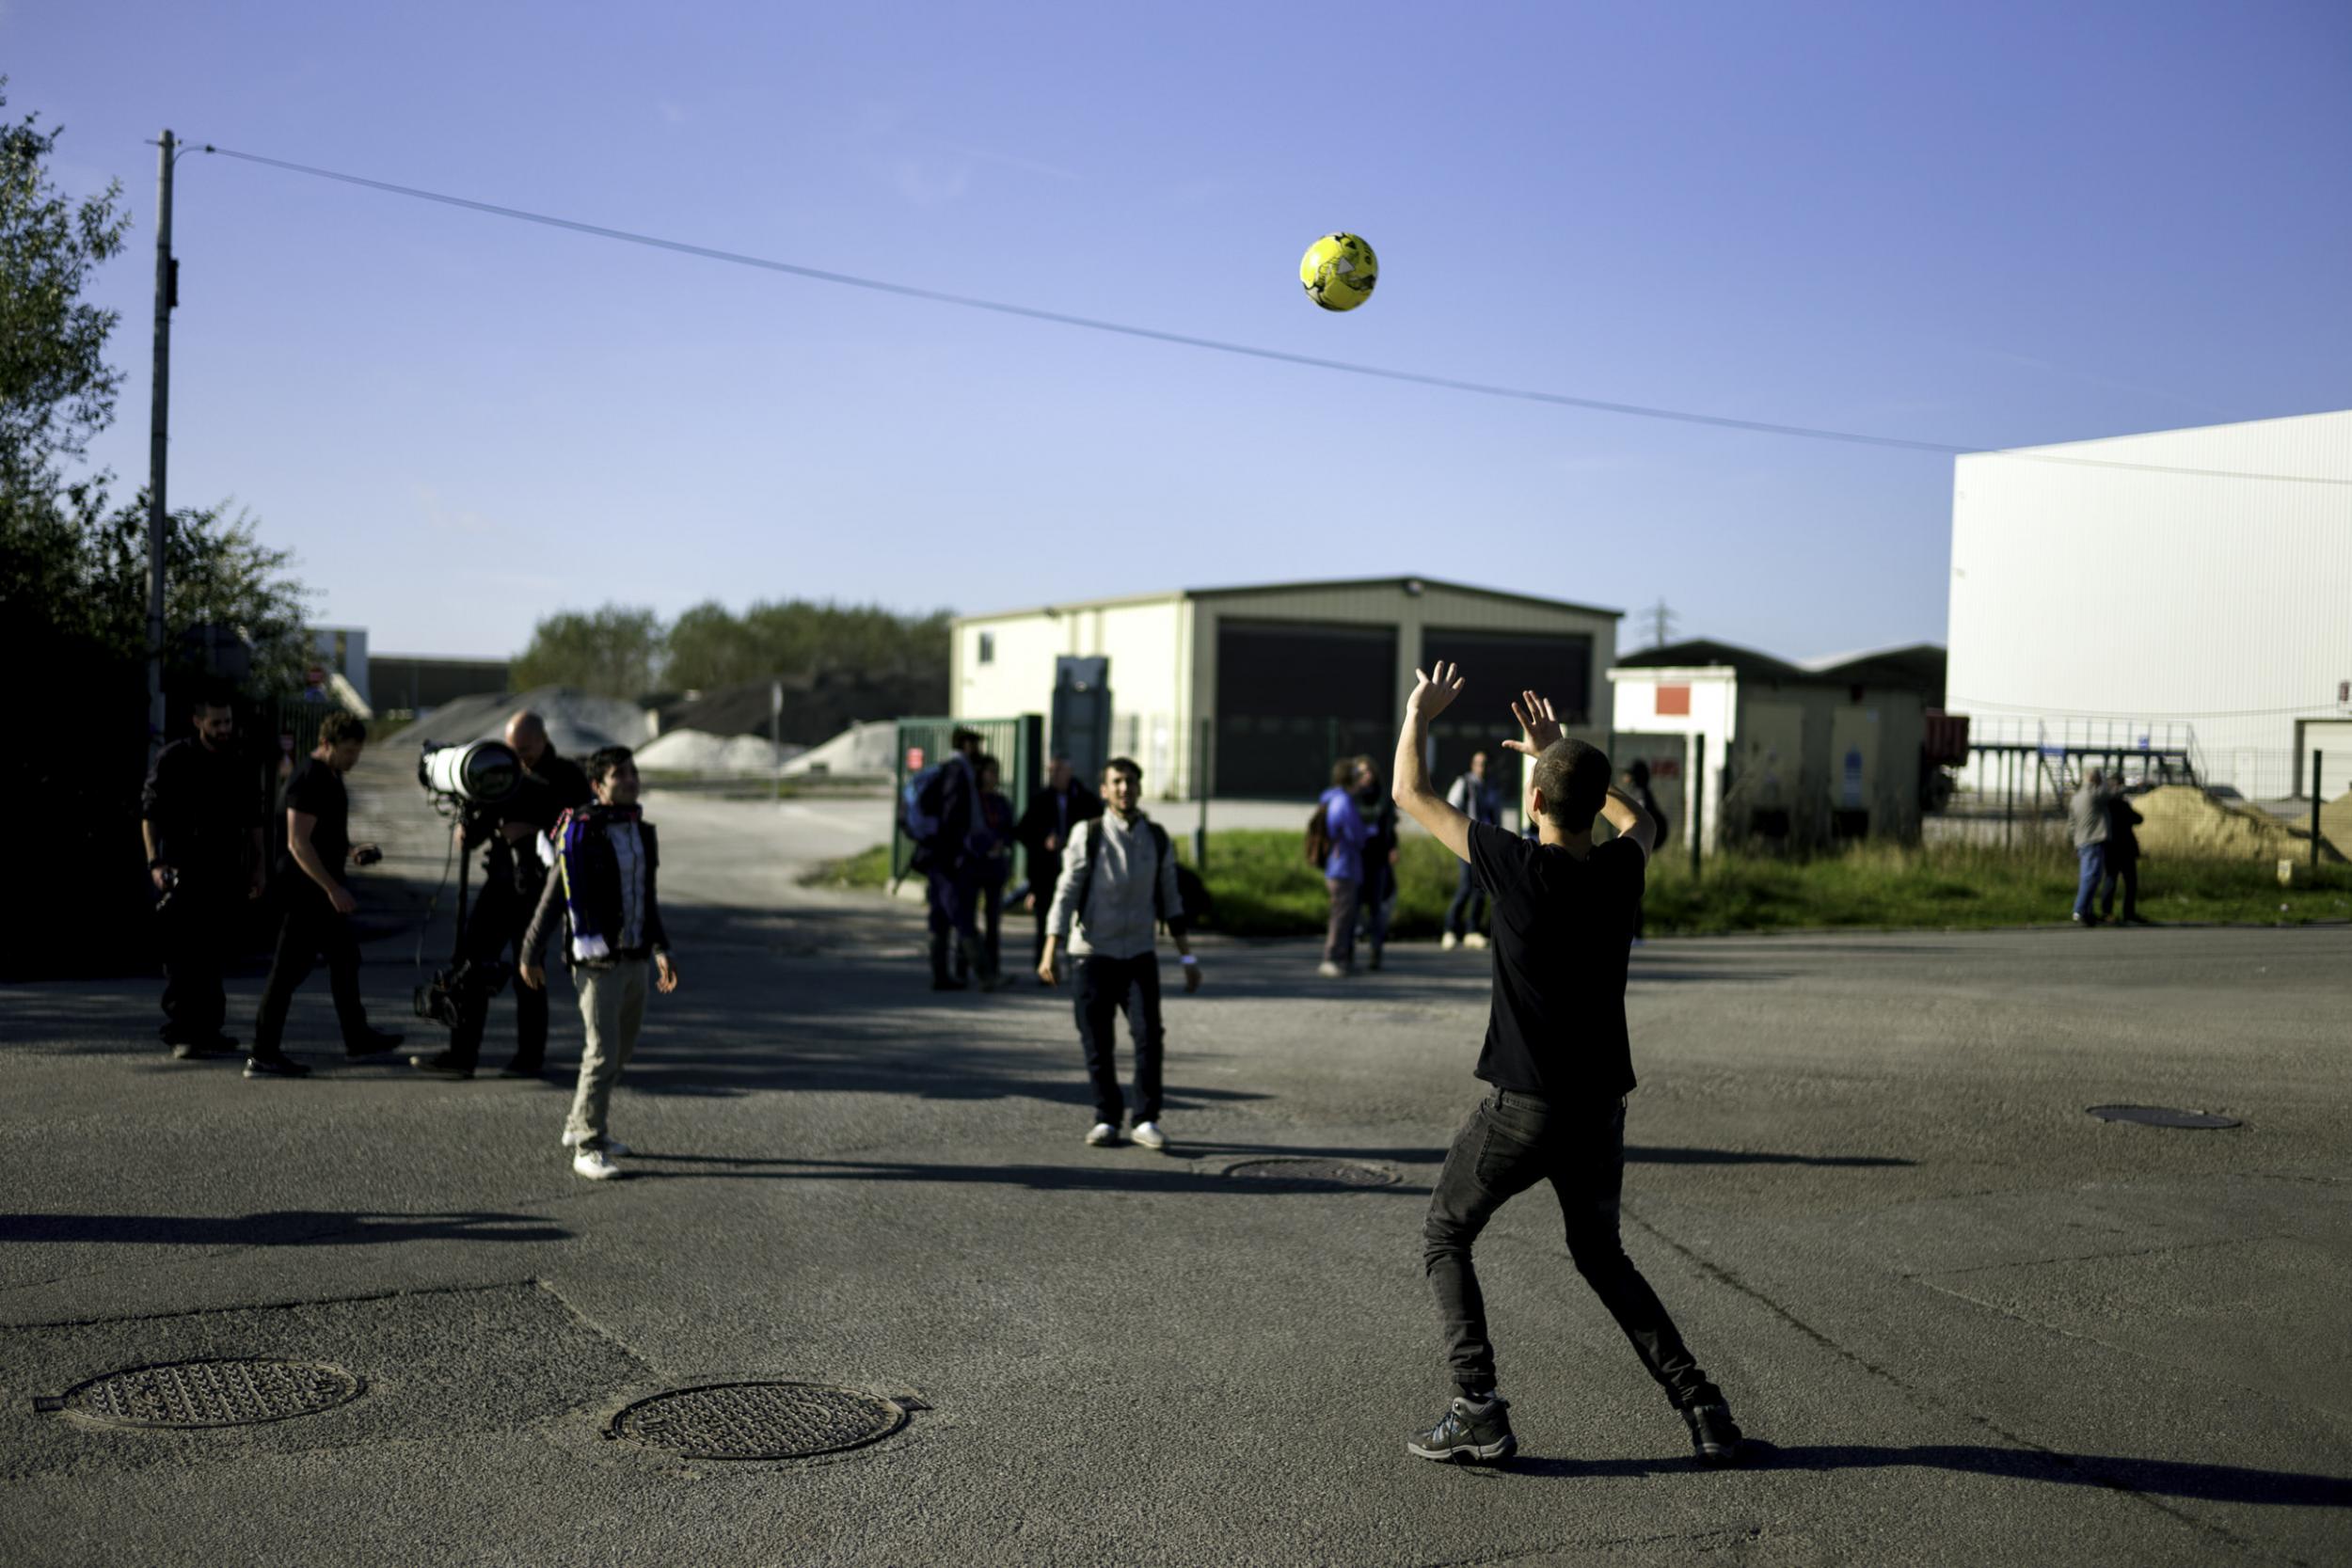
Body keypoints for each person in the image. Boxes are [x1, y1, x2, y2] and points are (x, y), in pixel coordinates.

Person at [1391, 664, 1746, 1468]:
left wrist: (1418, 711)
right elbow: (1646, 821)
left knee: (1447, 1231)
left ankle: (1478, 1406)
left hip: (1524, 1108)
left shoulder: (1514, 866)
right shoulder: (1622, 869)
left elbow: (1411, 792)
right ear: (1593, 805)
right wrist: (1563, 756)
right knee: (1600, 1254)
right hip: (1599, 1109)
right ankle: (1704, 1408)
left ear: (1534, 804)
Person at [518, 746, 680, 1180]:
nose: (630, 780)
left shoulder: (641, 831)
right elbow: (553, 898)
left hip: (636, 957)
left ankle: (581, 1125)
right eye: (619, 775)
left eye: (633, 772)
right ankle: (588, 1146)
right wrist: (529, 952)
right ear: (598, 786)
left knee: (620, 1052)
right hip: (597, 962)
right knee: (602, 1052)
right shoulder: (581, 831)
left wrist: (662, 949)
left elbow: (647, 897)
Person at [414, 711, 595, 1080]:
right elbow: (480, 826)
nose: (519, 757)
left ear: (544, 740)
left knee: (529, 971)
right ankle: (461, 1054)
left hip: (541, 887)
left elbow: (579, 822)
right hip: (499, 884)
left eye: (525, 750)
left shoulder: (566, 775)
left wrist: (532, 827)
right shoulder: (499, 768)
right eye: (514, 749)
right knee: (470, 966)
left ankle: (529, 1057)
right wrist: (469, 828)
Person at [1039, 756, 1199, 1151]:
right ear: (1105, 790)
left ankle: (1145, 1118)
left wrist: (1188, 958)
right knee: (1097, 1040)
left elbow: (1170, 900)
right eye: (1116, 782)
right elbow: (1066, 892)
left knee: (1149, 1037)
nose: (1124, 788)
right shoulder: (1088, 834)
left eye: (1130, 781)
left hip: (1139, 954)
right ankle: (1107, 1117)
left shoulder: (1157, 838)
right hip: (1092, 954)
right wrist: (1050, 950)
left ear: (1140, 788)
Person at [246, 712, 405, 1078]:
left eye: (357, 752)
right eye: (348, 751)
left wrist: (351, 851)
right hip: (305, 892)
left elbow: (324, 834)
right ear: (326, 744)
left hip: (323, 888)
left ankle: (358, 1037)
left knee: (346, 960)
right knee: (286, 972)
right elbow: (298, 843)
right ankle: (263, 1053)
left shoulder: (332, 775)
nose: (354, 759)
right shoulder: (309, 778)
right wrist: (333, 888)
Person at [141, 686, 266, 1058]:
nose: (224, 728)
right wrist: (154, 862)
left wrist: (258, 868)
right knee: (182, 955)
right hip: (183, 867)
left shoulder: (239, 761)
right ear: (198, 722)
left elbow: (253, 821)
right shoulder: (175, 759)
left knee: (213, 954)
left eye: (227, 721)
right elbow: (150, 813)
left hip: (224, 869)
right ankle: (183, 1032)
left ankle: (209, 1030)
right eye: (216, 722)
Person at [913, 727, 999, 990]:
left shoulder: (948, 769)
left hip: (937, 855)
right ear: (965, 744)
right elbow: (952, 815)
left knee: (939, 915)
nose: (979, 750)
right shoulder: (958, 771)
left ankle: (941, 975)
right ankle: (985, 975)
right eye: (975, 744)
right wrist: (957, 849)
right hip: (947, 857)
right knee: (960, 914)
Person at [1017, 754, 1103, 977]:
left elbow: (1099, 832)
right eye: (1050, 771)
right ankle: (1045, 966)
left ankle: (1079, 967)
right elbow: (1023, 832)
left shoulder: (1085, 799)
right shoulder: (1040, 800)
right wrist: (1044, 839)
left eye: (1058, 771)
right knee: (1045, 921)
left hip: (1078, 872)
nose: (1053, 776)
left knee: (1078, 922)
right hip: (1046, 873)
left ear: (1069, 772)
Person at [1316, 758, 1372, 978]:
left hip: (1342, 865)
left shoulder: (1337, 799)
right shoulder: (1344, 802)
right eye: (1358, 776)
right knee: (1341, 916)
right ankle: (1331, 958)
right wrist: (1367, 833)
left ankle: (1342, 958)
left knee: (1345, 915)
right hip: (1343, 866)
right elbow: (1356, 834)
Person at [1441, 751, 1502, 951]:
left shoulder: (1491, 787)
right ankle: (1450, 929)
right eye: (1478, 763)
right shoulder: (1464, 784)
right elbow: (1452, 808)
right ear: (1472, 765)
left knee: (1481, 887)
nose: (1482, 767)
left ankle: (1472, 930)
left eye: (1485, 763)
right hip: (1466, 840)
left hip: (1486, 842)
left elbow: (1496, 813)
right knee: (1466, 885)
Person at [972, 754, 1020, 979]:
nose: (993, 776)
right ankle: (967, 965)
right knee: (968, 920)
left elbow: (1011, 830)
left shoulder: (1001, 802)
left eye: (995, 771)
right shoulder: (973, 802)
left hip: (995, 867)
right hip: (974, 865)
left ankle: (992, 967)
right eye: (989, 771)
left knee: (993, 920)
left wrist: (1003, 841)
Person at [1358, 758, 1401, 971]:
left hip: (1378, 858)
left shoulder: (1383, 797)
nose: (1366, 776)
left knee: (1377, 907)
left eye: (1368, 772)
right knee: (1353, 907)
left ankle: (1376, 953)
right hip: (1356, 858)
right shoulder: (1352, 797)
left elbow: (1389, 825)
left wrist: (1393, 847)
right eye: (1361, 772)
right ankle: (1348, 950)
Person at [1621, 760, 1669, 944]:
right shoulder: (1643, 794)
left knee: (1631, 886)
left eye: (1628, 774)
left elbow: (1641, 822)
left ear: (1634, 778)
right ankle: (1636, 931)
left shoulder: (1641, 796)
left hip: (1640, 844)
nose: (1625, 778)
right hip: (1642, 844)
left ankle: (1636, 931)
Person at [2067, 768, 2110, 927]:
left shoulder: (2076, 797)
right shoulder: (2094, 794)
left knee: (2086, 876)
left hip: (2081, 841)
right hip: (2093, 840)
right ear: (2095, 779)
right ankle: (2079, 910)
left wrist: (2074, 840)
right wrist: (2104, 783)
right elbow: (2110, 794)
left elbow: (2071, 824)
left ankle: (2088, 913)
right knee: (2092, 876)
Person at [2101, 782, 2148, 925]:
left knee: (2110, 880)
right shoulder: (2122, 806)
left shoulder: (2105, 807)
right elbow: (2138, 819)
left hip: (2110, 849)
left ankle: (2107, 912)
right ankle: (2129, 912)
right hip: (2126, 849)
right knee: (2130, 883)